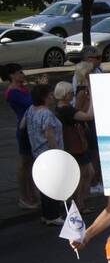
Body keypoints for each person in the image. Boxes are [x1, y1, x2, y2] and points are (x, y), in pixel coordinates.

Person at [21, 83, 65, 225]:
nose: (52, 97)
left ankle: (46, 215)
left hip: (37, 152)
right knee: (53, 184)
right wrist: (56, 154)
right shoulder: (46, 113)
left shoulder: (31, 109)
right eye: (50, 95)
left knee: (44, 185)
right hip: (49, 152)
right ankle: (53, 215)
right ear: (44, 97)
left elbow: (22, 125)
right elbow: (49, 135)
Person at [53, 81, 95, 210]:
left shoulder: (59, 108)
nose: (73, 95)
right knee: (84, 174)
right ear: (65, 95)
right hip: (76, 145)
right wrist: (93, 97)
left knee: (86, 173)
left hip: (72, 145)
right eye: (71, 93)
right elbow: (89, 116)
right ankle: (79, 204)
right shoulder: (67, 109)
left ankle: (78, 202)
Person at [5, 64, 39, 210]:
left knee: (30, 163)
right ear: (12, 75)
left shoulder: (23, 88)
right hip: (24, 129)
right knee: (24, 163)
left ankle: (31, 194)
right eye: (20, 72)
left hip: (30, 127)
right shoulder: (12, 92)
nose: (23, 74)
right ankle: (24, 196)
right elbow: (31, 103)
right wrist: (38, 90)